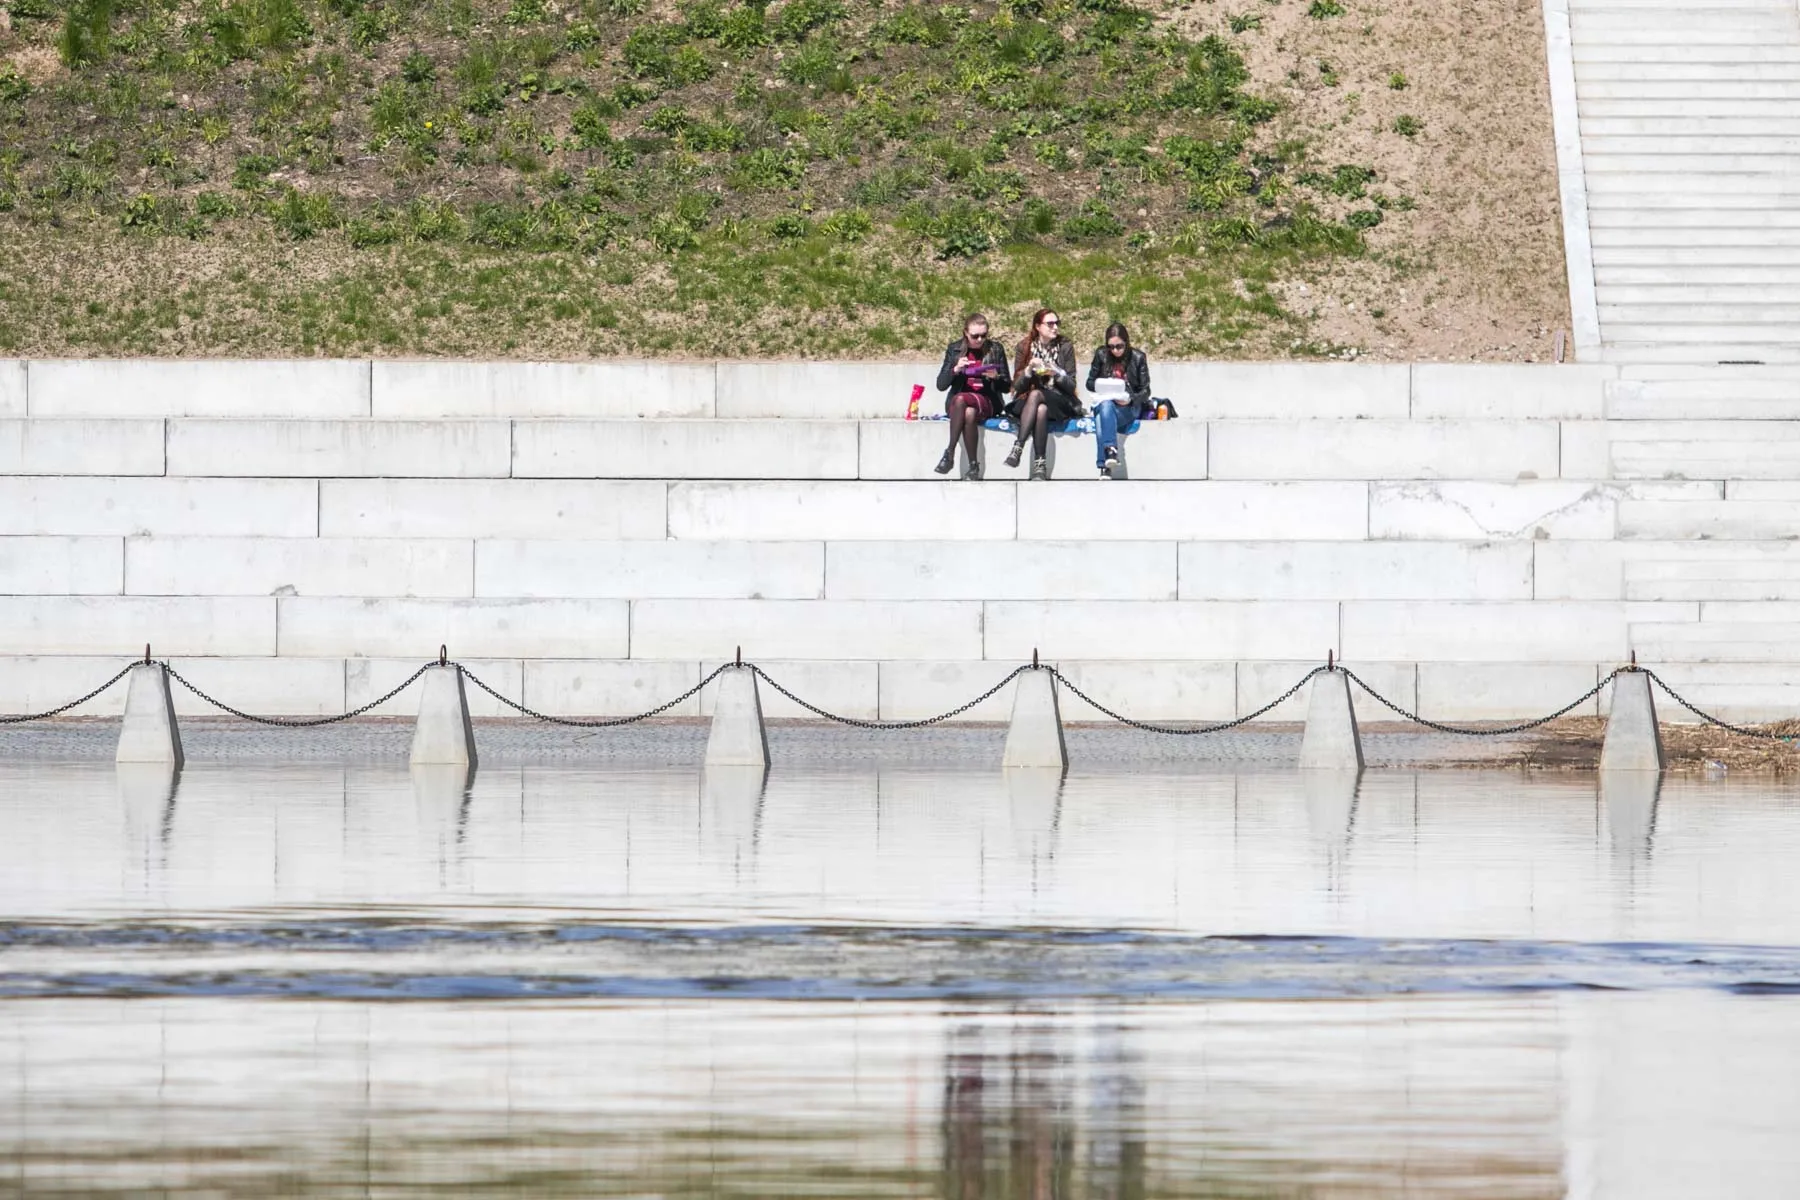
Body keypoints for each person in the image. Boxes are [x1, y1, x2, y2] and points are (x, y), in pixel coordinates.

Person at [933, 313, 1012, 480]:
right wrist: (955, 370)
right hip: (958, 405)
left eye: (984, 335)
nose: (980, 340)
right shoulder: (954, 349)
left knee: (962, 400)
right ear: (965, 333)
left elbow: (1007, 386)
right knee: (968, 412)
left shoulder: (995, 349)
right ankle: (973, 466)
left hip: (988, 400)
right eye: (975, 336)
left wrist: (995, 377)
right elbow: (941, 385)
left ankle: (949, 452)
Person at [1006, 308, 1082, 480]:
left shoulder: (1065, 346)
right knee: (1040, 409)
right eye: (1050, 324)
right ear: (1038, 326)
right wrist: (1029, 370)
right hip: (1028, 403)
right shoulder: (1024, 347)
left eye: (1057, 323)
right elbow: (1016, 386)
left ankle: (1019, 445)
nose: (1055, 327)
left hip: (1060, 399)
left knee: (1037, 396)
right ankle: (1040, 464)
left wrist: (1055, 372)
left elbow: (1071, 385)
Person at [1084, 322, 1152, 480]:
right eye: (1111, 347)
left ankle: (1104, 463)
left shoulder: (1138, 357)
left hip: (1128, 407)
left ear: (1126, 343)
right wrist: (1102, 384)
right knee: (1105, 407)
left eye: (1119, 346)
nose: (1115, 351)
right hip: (1105, 402)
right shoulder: (1101, 355)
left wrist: (1130, 399)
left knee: (1102, 416)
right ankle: (1110, 451)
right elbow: (1089, 383)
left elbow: (1145, 390)